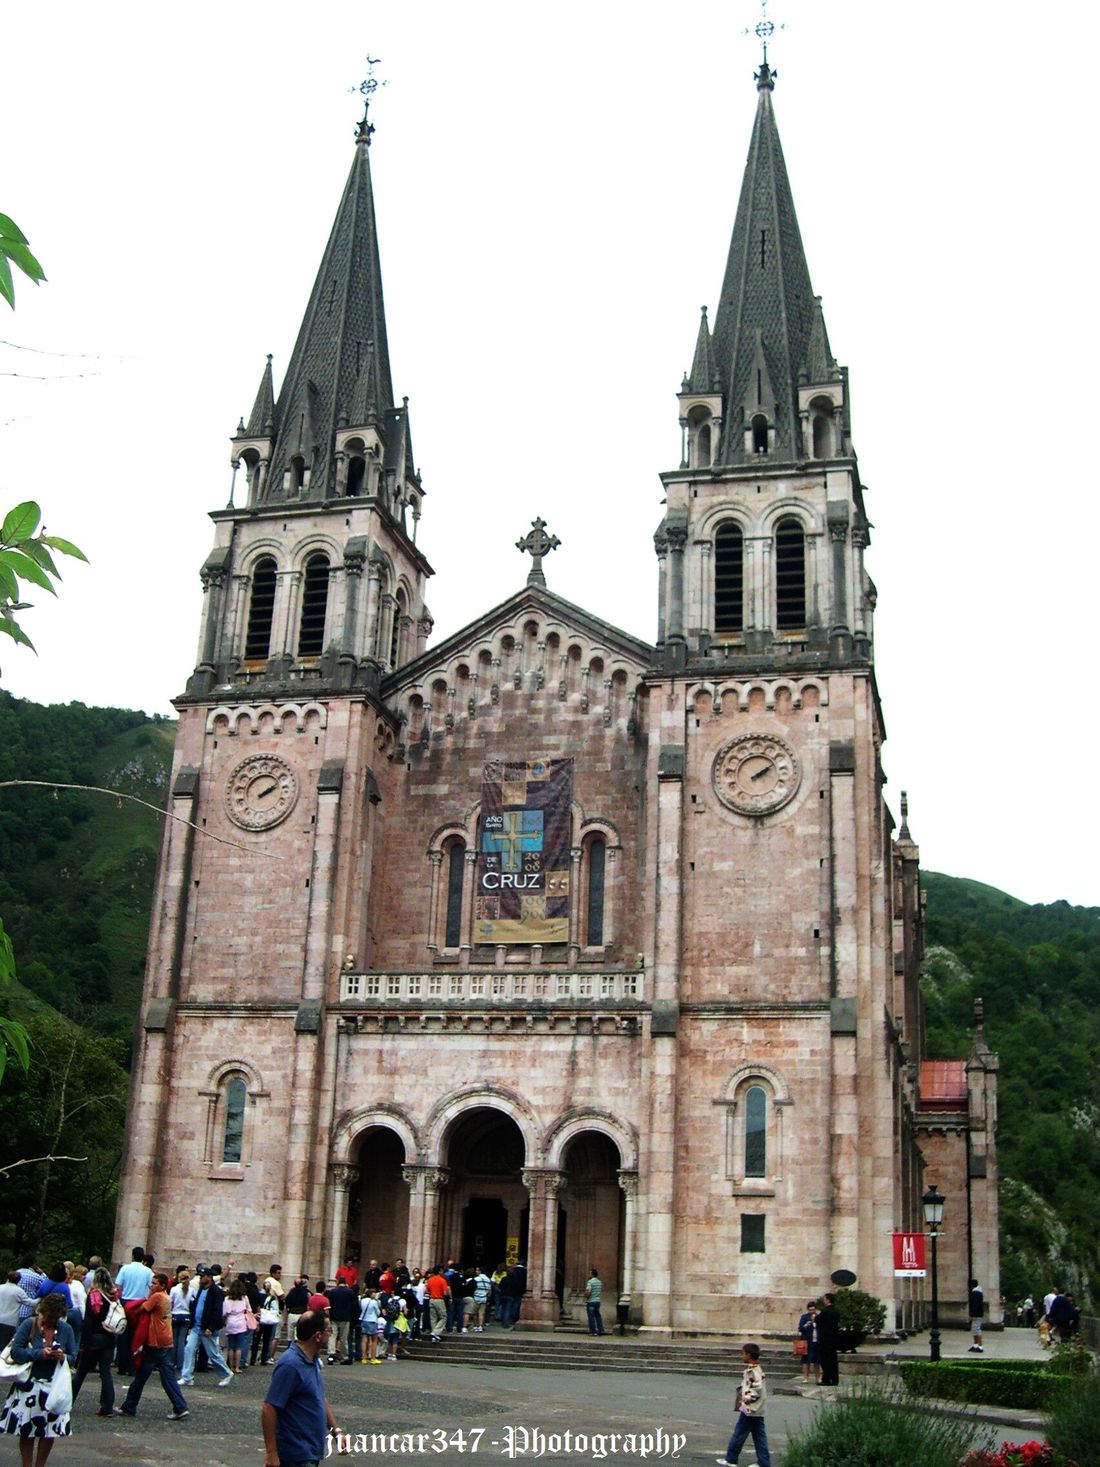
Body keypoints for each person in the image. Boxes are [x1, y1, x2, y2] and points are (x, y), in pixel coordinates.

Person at [1, 1291, 78, 1466]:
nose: (52, 1320)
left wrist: (63, 1357)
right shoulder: (29, 1324)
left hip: (54, 1386)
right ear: (43, 1311)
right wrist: (38, 1354)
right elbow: (15, 1352)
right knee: (26, 1430)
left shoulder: (66, 1329)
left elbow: (73, 1356)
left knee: (50, 1431)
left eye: (57, 1317)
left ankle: (40, 1465)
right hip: (29, 1385)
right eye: (49, 1316)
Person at [261, 1311, 344, 1467]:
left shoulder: (312, 1359)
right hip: (295, 1454)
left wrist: (336, 1430)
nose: (330, 1334)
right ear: (317, 1336)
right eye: (328, 1331)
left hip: (310, 1450)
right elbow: (269, 1407)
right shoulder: (291, 1364)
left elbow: (319, 1397)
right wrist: (271, 1453)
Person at [117, 1273, 189, 1421]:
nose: (152, 1285)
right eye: (152, 1283)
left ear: (162, 1285)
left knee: (142, 1375)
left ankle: (129, 1406)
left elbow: (139, 1310)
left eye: (155, 1283)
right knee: (167, 1377)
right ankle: (180, 1406)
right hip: (165, 1339)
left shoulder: (156, 1297)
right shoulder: (166, 1297)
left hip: (155, 1341)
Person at [71, 1267, 119, 1417]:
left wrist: (84, 1343)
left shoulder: (94, 1295)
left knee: (81, 1371)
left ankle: (68, 1401)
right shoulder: (113, 1296)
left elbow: (89, 1321)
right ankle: (107, 1406)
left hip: (94, 1337)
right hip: (109, 1337)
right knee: (106, 1373)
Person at [716, 1342, 771, 1467]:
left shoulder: (752, 1371)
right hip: (757, 1409)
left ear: (749, 1355)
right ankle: (764, 1462)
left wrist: (746, 1400)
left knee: (739, 1433)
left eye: (743, 1354)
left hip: (750, 1408)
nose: (741, 1356)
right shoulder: (757, 1369)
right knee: (759, 1436)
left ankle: (731, 1459)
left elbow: (757, 1389)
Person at [178, 1267, 233, 1386]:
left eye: (202, 1276)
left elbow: (217, 1311)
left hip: (206, 1327)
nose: (200, 1278)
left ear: (209, 1277)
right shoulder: (202, 1289)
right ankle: (187, 1376)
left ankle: (226, 1373)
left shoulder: (215, 1292)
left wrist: (211, 1327)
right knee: (189, 1349)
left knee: (212, 1353)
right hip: (197, 1326)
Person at [113, 1246, 152, 1376]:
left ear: (133, 1255)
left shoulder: (125, 1269)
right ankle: (133, 1366)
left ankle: (122, 1365)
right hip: (140, 1303)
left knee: (123, 1334)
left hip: (125, 1302)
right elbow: (151, 1287)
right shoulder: (147, 1271)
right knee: (138, 1335)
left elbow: (118, 1286)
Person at [223, 1277, 251, 1373]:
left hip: (230, 1322)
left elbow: (225, 1312)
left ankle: (230, 1366)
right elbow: (249, 1310)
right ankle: (237, 1367)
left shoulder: (227, 1298)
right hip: (241, 1322)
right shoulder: (244, 1298)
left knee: (231, 1346)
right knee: (239, 1347)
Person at [816, 1292, 840, 1386]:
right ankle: (834, 1379)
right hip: (834, 1338)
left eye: (825, 1299)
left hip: (825, 1338)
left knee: (825, 1360)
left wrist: (817, 1316)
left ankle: (826, 1379)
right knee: (833, 1359)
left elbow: (819, 1320)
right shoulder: (836, 1311)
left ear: (828, 1300)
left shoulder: (825, 1311)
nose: (823, 1300)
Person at [796, 1301, 820, 1385]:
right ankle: (805, 1377)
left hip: (816, 1340)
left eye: (813, 1310)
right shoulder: (804, 1317)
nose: (812, 1311)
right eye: (810, 1310)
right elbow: (800, 1328)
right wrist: (807, 1325)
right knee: (806, 1360)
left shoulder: (818, 1317)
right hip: (807, 1341)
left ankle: (818, 1378)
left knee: (817, 1361)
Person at [585, 1268, 605, 1336]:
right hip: (597, 1301)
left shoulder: (590, 1282)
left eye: (589, 1273)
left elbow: (588, 1291)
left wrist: (586, 1296)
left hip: (591, 1301)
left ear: (592, 1274)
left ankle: (592, 1331)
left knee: (591, 1317)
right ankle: (600, 1330)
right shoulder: (599, 1282)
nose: (588, 1274)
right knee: (598, 1316)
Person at [967, 1278, 985, 1352]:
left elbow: (975, 1305)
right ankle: (976, 1345)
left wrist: (972, 1314)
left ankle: (980, 1346)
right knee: (974, 1329)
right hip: (977, 1314)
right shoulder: (978, 1292)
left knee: (977, 1330)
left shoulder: (976, 1293)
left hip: (977, 1314)